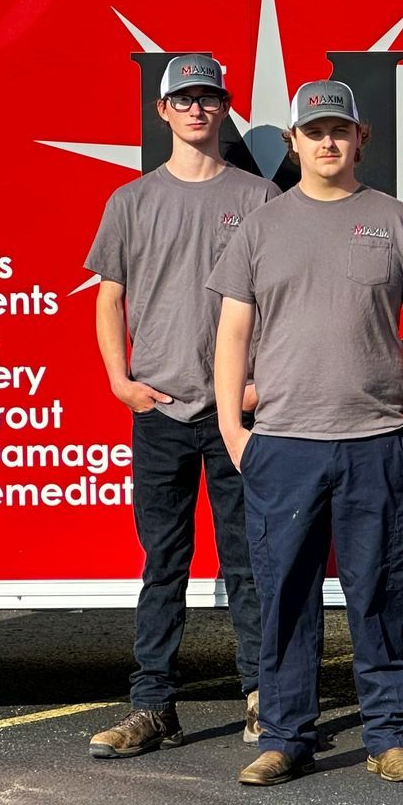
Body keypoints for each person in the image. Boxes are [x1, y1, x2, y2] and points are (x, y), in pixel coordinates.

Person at [209, 79, 403, 787]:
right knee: (286, 593)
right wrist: (233, 428)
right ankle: (284, 737)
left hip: (376, 441)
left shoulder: (394, 221)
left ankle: (389, 736)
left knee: (379, 591)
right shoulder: (260, 227)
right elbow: (231, 336)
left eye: (339, 130)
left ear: (360, 138)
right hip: (283, 443)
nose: (327, 142)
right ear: (294, 142)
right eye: (313, 132)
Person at [85, 53, 276, 760]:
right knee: (163, 563)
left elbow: (280, 303)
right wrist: (120, 381)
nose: (197, 109)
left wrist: (257, 386)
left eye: (209, 98)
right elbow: (110, 298)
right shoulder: (131, 202)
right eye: (184, 99)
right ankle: (153, 705)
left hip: (236, 416)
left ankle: (260, 700)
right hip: (159, 412)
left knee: (247, 563)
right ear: (161, 111)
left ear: (225, 109)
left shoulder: (259, 199)